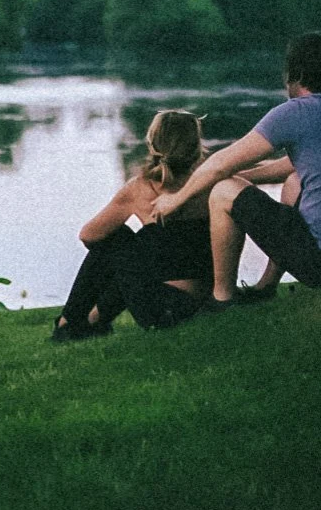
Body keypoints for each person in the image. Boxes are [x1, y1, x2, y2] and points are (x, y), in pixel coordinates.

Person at [151, 33, 321, 307]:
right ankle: (266, 286)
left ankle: (222, 299)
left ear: (296, 74)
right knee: (293, 181)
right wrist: (241, 179)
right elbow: (287, 168)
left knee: (223, 191)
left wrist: (177, 198)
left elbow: (220, 164)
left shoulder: (297, 111)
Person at [52, 109, 213, 340]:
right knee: (142, 245)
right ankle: (92, 321)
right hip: (199, 304)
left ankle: (68, 322)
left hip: (158, 312)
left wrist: (126, 258)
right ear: (196, 145)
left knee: (117, 238)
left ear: (153, 143)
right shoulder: (210, 182)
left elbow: (88, 235)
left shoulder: (141, 188)